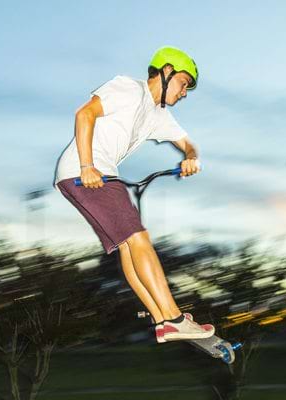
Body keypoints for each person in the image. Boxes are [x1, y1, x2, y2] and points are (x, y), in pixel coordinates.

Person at [55, 46, 215, 344]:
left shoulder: (159, 116)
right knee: (139, 239)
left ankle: (162, 321)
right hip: (88, 172)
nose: (184, 93)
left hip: (96, 174)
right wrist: (87, 165)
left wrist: (191, 157)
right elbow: (84, 114)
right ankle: (175, 318)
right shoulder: (129, 89)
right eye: (183, 84)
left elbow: (188, 144)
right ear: (166, 72)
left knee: (130, 245)